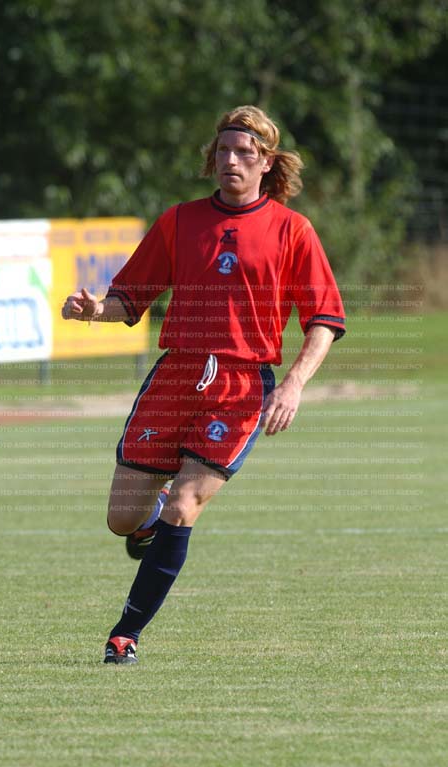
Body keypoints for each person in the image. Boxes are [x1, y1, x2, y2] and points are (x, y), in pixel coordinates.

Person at [61, 105, 346, 665]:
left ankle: (125, 635)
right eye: (223, 150)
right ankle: (149, 521)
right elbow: (129, 300)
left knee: (185, 503)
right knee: (121, 519)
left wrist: (293, 384)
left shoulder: (293, 230)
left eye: (244, 152)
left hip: (241, 385)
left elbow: (325, 319)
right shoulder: (179, 221)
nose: (230, 160)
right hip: (175, 376)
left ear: (267, 162)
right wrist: (95, 310)